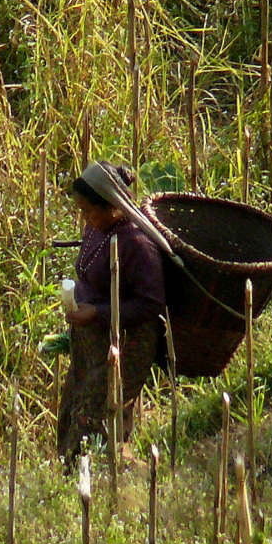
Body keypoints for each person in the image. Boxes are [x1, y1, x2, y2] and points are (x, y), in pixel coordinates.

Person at [56, 161, 166, 464]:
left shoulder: (138, 245)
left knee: (98, 418)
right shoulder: (97, 229)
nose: (86, 219)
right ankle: (72, 477)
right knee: (75, 407)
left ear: (114, 208)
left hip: (126, 344)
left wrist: (98, 313)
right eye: (82, 212)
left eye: (90, 212)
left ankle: (105, 480)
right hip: (94, 343)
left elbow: (151, 304)